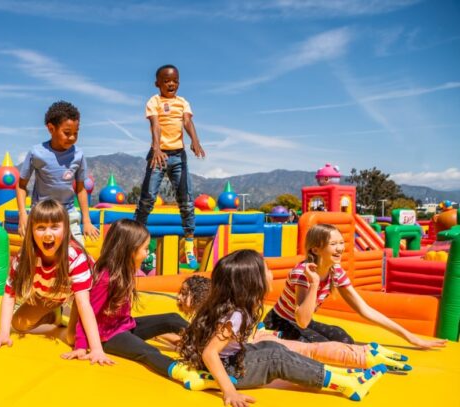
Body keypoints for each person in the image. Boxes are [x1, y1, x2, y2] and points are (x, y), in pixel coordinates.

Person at [179, 250, 387, 406]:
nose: (271, 274)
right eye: (267, 270)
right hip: (229, 370)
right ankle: (345, 383)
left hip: (230, 361)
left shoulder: (231, 306)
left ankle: (334, 373)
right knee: (277, 359)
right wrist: (229, 391)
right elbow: (210, 352)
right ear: (252, 282)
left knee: (271, 347)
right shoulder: (236, 315)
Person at [61, 219, 211, 386]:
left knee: (172, 318)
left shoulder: (126, 270)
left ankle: (208, 343)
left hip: (125, 326)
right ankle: (184, 373)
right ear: (130, 250)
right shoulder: (105, 278)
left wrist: (172, 337)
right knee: (147, 351)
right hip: (107, 337)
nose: (148, 254)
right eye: (145, 249)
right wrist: (82, 346)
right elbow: (86, 312)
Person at [264, 224, 448, 349]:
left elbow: (364, 309)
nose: (340, 248)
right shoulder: (302, 273)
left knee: (344, 338)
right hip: (280, 322)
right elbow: (302, 320)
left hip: (301, 322)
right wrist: (315, 284)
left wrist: (410, 337)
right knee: (325, 348)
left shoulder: (335, 271)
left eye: (341, 243)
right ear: (315, 249)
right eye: (333, 244)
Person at [178, 276, 411, 371]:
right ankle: (367, 355)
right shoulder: (219, 314)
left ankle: (366, 355)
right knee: (308, 350)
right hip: (263, 337)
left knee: (318, 345)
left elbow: (199, 342)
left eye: (183, 294)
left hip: (264, 339)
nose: (178, 298)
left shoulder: (214, 318)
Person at [0, 199, 112, 365]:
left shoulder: (74, 257)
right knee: (19, 324)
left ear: (65, 231)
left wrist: (96, 349)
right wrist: (4, 334)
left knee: (72, 338)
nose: (48, 234)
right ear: (31, 231)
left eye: (55, 227)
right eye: (41, 228)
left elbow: (84, 304)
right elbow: (9, 295)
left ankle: (67, 314)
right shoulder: (25, 258)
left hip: (85, 296)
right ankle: (55, 314)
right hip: (53, 293)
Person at [134, 64, 205, 269]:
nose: (170, 83)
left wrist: (196, 140)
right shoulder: (154, 101)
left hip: (178, 156)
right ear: (158, 83)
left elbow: (187, 122)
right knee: (147, 199)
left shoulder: (183, 102)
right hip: (159, 154)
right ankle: (136, 240)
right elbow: (155, 125)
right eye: (166, 81)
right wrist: (156, 148)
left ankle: (190, 245)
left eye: (174, 80)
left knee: (186, 200)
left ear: (179, 83)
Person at [16, 101, 99, 247]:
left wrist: (86, 220)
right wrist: (23, 215)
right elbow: (21, 185)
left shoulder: (78, 155)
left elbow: (80, 189)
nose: (72, 137)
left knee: (79, 253)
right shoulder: (37, 153)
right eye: (67, 133)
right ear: (51, 128)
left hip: (68, 213)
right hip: (41, 213)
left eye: (76, 132)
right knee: (35, 255)